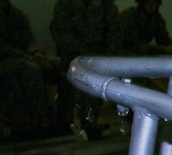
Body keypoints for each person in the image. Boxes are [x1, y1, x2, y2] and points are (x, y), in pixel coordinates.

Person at [0, 0, 63, 140]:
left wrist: (35, 52)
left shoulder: (15, 13)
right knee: (26, 71)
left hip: (19, 58)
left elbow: (28, 38)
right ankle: (24, 124)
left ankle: (52, 120)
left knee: (57, 67)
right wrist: (26, 56)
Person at [50, 0, 121, 139]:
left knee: (96, 77)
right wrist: (83, 51)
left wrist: (105, 52)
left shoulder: (107, 6)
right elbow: (61, 33)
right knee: (75, 78)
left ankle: (91, 120)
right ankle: (70, 122)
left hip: (99, 55)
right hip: (74, 55)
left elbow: (115, 33)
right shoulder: (66, 5)